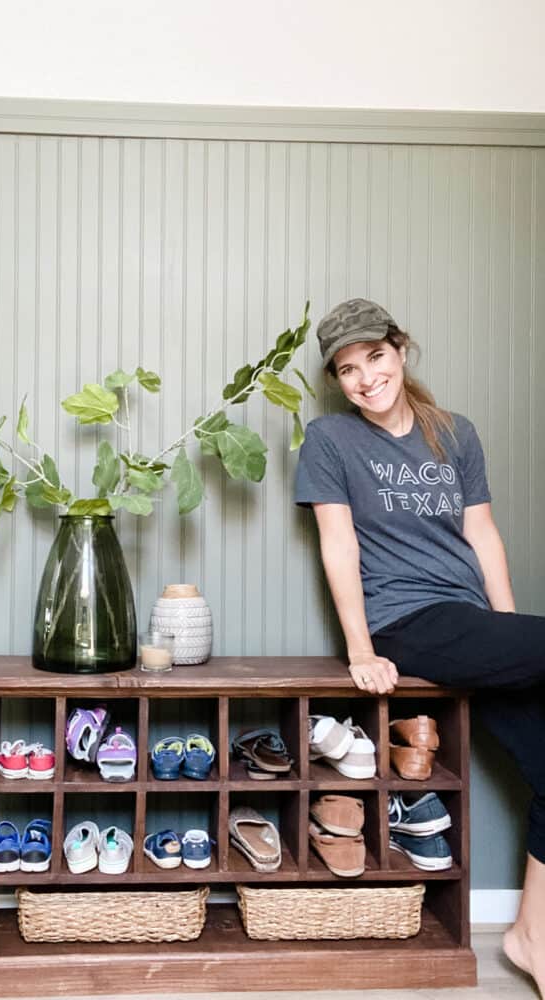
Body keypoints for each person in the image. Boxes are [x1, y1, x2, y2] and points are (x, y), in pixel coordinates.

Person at [294, 297, 545, 997]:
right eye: (347, 369)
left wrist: (509, 635)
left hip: (471, 623)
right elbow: (338, 547)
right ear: (338, 380)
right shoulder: (331, 442)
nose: (365, 377)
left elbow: (483, 535)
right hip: (408, 622)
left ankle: (531, 937)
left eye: (375, 357)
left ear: (399, 350)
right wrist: (360, 649)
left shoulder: (453, 433)